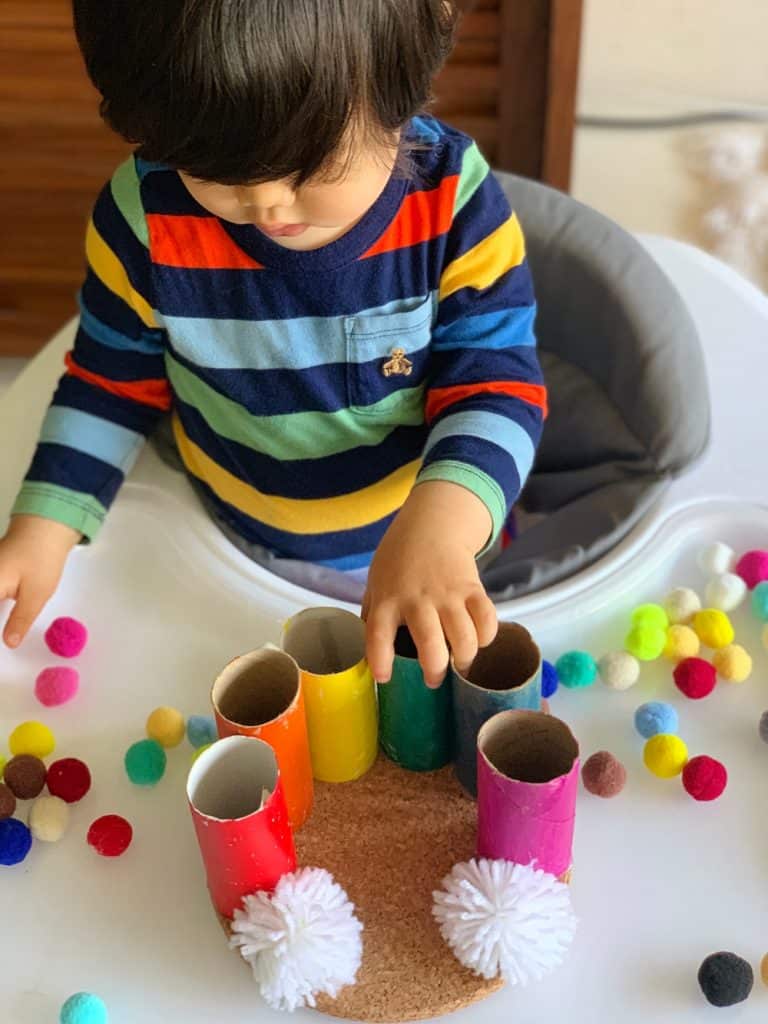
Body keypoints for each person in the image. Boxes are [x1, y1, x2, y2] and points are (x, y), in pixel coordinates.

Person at [0, 0, 546, 687]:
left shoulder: (454, 207)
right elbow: (109, 382)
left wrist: (444, 527)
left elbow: (498, 387)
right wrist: (44, 523)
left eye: (309, 168)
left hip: (441, 551)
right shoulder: (144, 222)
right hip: (238, 550)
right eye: (217, 173)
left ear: (398, 86)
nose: (265, 204)